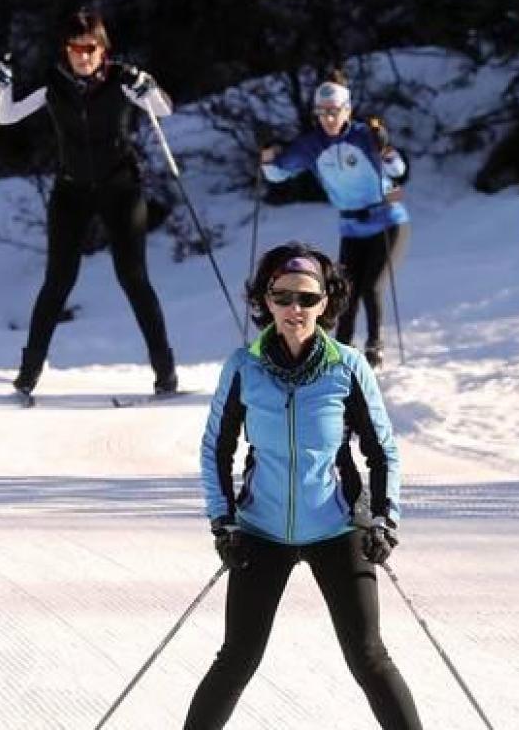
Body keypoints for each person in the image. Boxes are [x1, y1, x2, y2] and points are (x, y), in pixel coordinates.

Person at [187, 242, 421, 730]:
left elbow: (382, 452)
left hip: (337, 529)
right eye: (283, 296)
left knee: (369, 658)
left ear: (326, 303)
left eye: (308, 299)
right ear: (265, 301)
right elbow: (215, 449)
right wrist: (223, 521)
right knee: (237, 659)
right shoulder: (243, 367)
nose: (295, 309)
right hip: (261, 531)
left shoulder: (348, 366)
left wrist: (384, 519)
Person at [0, 7, 178, 400]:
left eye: (90, 48)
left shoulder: (123, 79)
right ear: (67, 50)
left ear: (102, 49)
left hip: (120, 187)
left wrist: (150, 87)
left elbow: (163, 109)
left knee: (133, 278)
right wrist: (0, 88)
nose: (82, 55)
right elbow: (6, 117)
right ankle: (27, 375)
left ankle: (165, 372)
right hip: (71, 190)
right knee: (58, 281)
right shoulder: (53, 83)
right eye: (75, 48)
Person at [258, 74, 409, 368]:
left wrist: (386, 148)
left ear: (347, 110)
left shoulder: (365, 135)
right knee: (343, 290)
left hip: (388, 219)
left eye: (334, 111)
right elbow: (276, 174)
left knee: (371, 286)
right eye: (323, 112)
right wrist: (267, 156)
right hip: (352, 226)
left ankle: (374, 347)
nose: (329, 118)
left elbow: (398, 172)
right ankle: (342, 348)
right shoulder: (312, 146)